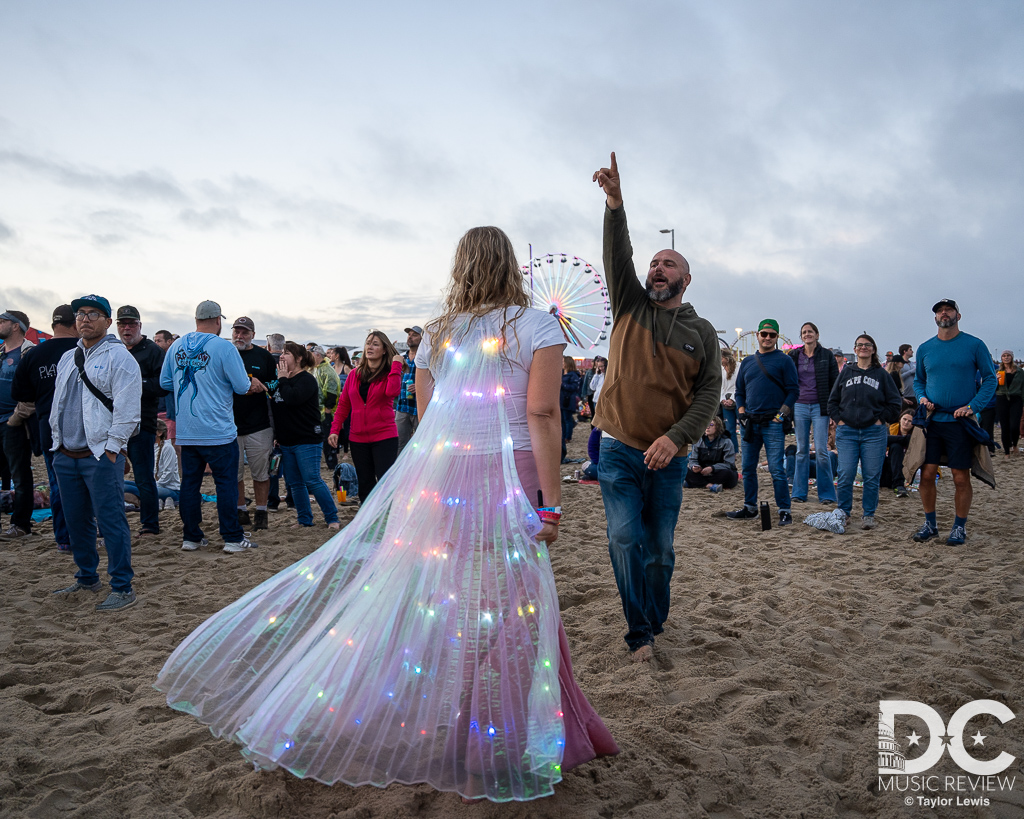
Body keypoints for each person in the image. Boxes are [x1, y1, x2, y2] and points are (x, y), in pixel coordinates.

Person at [156, 225, 617, 802]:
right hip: (511, 474)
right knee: (515, 602)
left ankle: (460, 723)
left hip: (447, 478)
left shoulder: (439, 335)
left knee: (452, 598)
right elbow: (544, 413)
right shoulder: (536, 326)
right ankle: (495, 735)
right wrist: (550, 501)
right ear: (510, 268)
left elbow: (429, 425)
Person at [592, 153, 722, 661]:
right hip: (619, 450)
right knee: (625, 539)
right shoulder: (629, 303)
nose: (656, 267)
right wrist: (615, 203)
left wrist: (677, 438)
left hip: (668, 458)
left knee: (660, 552)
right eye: (654, 262)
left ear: (686, 279)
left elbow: (708, 394)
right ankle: (640, 632)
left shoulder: (700, 332)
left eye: (668, 263)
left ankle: (655, 618)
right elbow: (615, 254)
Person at [50, 294, 141, 611]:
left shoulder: (121, 359)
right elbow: (58, 405)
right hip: (66, 453)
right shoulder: (67, 358)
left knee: (111, 521)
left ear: (106, 320)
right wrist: (56, 443)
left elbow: (129, 411)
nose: (84, 319)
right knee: (76, 522)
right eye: (79, 314)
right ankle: (87, 576)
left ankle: (122, 586)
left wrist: (113, 449)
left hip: (101, 455)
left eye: (92, 313)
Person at [160, 301, 260, 554]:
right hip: (218, 429)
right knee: (225, 483)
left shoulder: (176, 346)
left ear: (196, 320)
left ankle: (191, 537)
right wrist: (253, 385)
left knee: (190, 484)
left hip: (187, 430)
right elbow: (241, 386)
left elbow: (165, 382)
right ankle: (232, 538)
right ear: (218, 321)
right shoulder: (223, 347)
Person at [911, 299, 996, 545]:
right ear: (935, 317)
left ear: (959, 315)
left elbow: (990, 379)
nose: (943, 313)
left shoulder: (975, 345)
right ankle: (931, 524)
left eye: (948, 310)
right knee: (926, 474)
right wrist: (922, 397)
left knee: (960, 476)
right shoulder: (925, 348)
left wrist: (972, 407)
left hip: (961, 422)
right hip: (932, 421)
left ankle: (959, 527)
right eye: (939, 311)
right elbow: (919, 381)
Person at [8, 306, 79, 549]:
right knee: (88, 485)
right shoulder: (84, 350)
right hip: (84, 429)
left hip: (48, 427)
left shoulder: (34, 355)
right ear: (76, 323)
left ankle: (63, 539)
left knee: (58, 484)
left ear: (53, 325)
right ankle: (87, 534)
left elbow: (20, 393)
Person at [827, 334, 902, 529]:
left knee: (871, 476)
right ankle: (844, 512)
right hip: (847, 431)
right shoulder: (846, 372)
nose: (863, 348)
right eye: (859, 345)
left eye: (867, 345)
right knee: (845, 474)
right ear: (854, 349)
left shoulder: (882, 375)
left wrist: (880, 419)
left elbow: (895, 403)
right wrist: (839, 420)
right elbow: (832, 400)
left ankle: (868, 515)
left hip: (873, 433)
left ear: (873, 349)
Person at [727, 319, 798, 526]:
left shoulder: (784, 361)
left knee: (776, 469)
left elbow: (793, 390)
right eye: (764, 334)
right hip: (750, 422)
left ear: (777, 337)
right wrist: (741, 414)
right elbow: (739, 391)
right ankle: (750, 508)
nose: (767, 338)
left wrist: (780, 416)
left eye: (772, 335)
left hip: (773, 423)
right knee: (748, 468)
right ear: (758, 335)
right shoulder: (748, 362)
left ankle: (784, 510)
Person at [269, 342, 340, 530]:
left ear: (299, 358)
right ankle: (304, 520)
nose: (282, 356)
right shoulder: (280, 381)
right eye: (282, 353)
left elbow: (292, 399)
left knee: (312, 480)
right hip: (286, 440)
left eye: (287, 353)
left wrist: (282, 379)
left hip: (307, 439)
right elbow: (277, 408)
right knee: (295, 483)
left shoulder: (307, 380)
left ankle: (332, 518)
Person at [327, 331, 402, 502]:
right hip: (358, 438)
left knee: (385, 482)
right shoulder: (354, 374)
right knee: (365, 483)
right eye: (368, 343)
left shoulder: (390, 373)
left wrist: (396, 365)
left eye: (375, 344)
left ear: (384, 350)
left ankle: (387, 520)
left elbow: (393, 391)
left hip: (384, 436)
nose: (370, 347)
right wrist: (335, 430)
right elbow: (344, 404)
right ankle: (367, 524)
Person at [115, 305, 168, 538]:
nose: (127, 328)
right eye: (122, 324)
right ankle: (112, 524)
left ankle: (149, 525)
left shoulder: (153, 351)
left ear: (140, 326)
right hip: (114, 423)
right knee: (110, 476)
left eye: (131, 324)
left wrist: (135, 385)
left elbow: (164, 385)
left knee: (144, 477)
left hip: (141, 424)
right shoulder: (114, 350)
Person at [229, 316, 276, 530]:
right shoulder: (226, 354)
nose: (240, 336)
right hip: (230, 425)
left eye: (244, 332)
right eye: (237, 331)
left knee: (260, 472)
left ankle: (262, 511)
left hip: (259, 424)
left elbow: (276, 382)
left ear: (253, 335)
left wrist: (262, 385)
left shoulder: (264, 356)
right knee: (235, 473)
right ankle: (241, 510)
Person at [787, 322, 839, 506]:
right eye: (804, 332)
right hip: (800, 405)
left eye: (810, 332)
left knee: (822, 450)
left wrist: (833, 410)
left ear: (817, 334)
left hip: (820, 406)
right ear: (801, 337)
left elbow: (835, 383)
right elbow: (787, 379)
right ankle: (799, 492)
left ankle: (826, 494)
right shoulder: (793, 355)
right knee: (801, 450)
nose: (807, 334)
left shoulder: (826, 355)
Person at [0, 309, 36, 541]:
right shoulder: (0, 353)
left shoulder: (29, 352)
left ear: (15, 326)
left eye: (2, 321)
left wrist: (16, 418)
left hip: (15, 422)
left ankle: (21, 525)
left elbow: (33, 391)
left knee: (20, 475)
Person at [124, 419, 180, 508]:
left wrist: (152, 486)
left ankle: (140, 501)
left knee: (131, 489)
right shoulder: (150, 448)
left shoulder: (167, 448)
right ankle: (145, 500)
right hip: (153, 485)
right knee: (122, 484)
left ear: (159, 433)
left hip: (169, 489)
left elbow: (168, 473)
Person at [684, 417, 738, 491]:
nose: (708, 427)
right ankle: (709, 485)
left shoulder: (726, 442)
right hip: (702, 471)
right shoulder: (699, 441)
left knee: (729, 474)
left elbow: (729, 463)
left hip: (718, 472)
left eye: (711, 424)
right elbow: (693, 459)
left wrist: (712, 468)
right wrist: (694, 466)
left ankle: (695, 483)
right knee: (684, 469)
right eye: (706, 424)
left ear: (718, 427)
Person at [310, 344, 341, 469]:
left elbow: (332, 391)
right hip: (317, 410)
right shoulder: (316, 368)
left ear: (317, 355)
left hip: (326, 411)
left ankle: (332, 463)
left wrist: (328, 410)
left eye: (311, 356)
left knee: (328, 438)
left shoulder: (328, 370)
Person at [394, 326, 421, 454]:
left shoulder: (425, 358)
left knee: (422, 443)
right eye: (409, 334)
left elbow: (436, 379)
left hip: (419, 407)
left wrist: (420, 386)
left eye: (414, 335)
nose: (410, 337)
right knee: (399, 444)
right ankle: (399, 472)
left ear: (423, 338)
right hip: (402, 406)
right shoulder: (401, 358)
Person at [881, 409, 915, 497]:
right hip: (887, 468)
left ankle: (898, 485)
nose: (906, 422)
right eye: (904, 419)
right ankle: (898, 485)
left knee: (896, 446)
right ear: (900, 419)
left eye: (910, 421)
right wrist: (904, 439)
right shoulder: (890, 429)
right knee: (896, 446)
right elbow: (882, 439)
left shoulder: (916, 435)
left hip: (907, 468)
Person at [995, 350, 1023, 459]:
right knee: (1005, 426)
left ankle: (1014, 444)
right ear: (1001, 358)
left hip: (1016, 398)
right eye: (1004, 356)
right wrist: (995, 381)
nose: (1006, 358)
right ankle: (1007, 451)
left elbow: (1023, 387)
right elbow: (993, 388)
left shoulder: (1020, 371)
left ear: (1012, 357)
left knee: (1015, 425)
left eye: (1008, 356)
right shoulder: (998, 371)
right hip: (1002, 398)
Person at [328, 346, 354, 453]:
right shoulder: (331, 368)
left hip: (346, 401)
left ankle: (346, 452)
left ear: (337, 355)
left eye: (332, 353)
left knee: (347, 426)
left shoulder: (346, 368)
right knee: (336, 426)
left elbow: (354, 383)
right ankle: (337, 449)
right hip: (335, 402)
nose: (330, 355)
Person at [559, 356, 582, 463]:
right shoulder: (562, 373)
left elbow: (574, 388)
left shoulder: (573, 375)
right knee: (562, 420)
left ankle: (568, 437)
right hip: (561, 400)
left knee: (567, 419)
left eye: (563, 361)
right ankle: (563, 436)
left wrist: (562, 384)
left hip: (568, 400)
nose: (562, 363)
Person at [720, 350, 739, 447]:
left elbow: (740, 385)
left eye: (721, 358)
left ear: (726, 358)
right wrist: (722, 399)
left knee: (744, 427)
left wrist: (732, 399)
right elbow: (720, 386)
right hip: (725, 402)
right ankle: (734, 450)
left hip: (738, 399)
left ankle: (745, 450)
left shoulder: (739, 367)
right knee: (729, 428)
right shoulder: (720, 369)